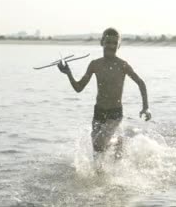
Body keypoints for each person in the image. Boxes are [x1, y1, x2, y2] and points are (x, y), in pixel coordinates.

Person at [57, 27, 151, 159]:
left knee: (99, 144)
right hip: (98, 112)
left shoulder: (122, 65)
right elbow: (79, 88)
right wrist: (68, 74)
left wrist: (145, 107)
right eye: (108, 42)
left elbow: (141, 83)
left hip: (115, 113)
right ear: (102, 42)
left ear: (119, 45)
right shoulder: (95, 64)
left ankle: (117, 141)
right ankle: (101, 171)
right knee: (97, 153)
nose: (111, 45)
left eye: (114, 43)